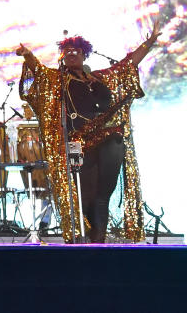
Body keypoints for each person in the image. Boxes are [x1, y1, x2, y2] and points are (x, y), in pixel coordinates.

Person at [15, 21, 163, 243]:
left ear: (85, 56)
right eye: (67, 51)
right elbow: (40, 73)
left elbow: (126, 65)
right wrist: (28, 56)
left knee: (103, 196)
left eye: (76, 51)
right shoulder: (58, 80)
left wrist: (149, 43)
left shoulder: (102, 78)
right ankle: (85, 243)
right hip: (79, 142)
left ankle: (99, 244)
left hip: (109, 138)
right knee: (85, 198)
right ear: (62, 56)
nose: (71, 53)